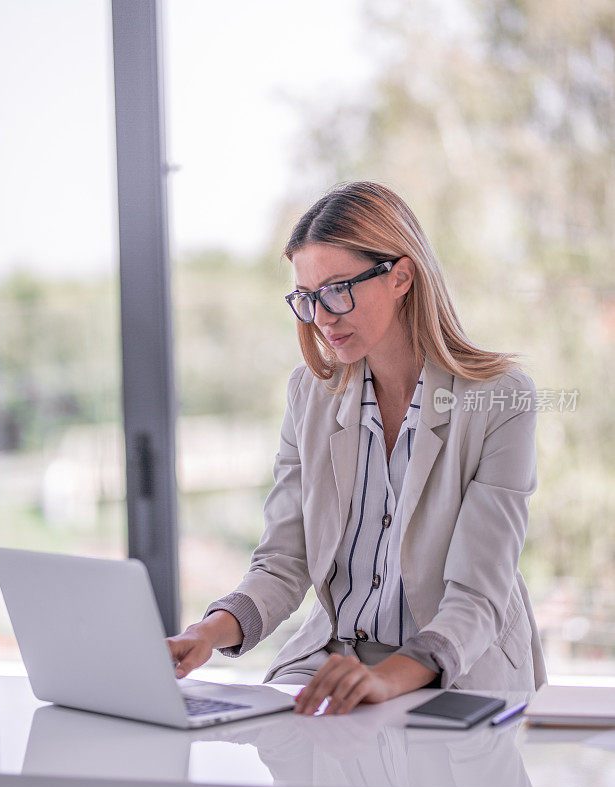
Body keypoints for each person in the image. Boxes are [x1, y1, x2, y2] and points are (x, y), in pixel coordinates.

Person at [167, 181, 547, 716]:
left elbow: (477, 597)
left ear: (401, 277)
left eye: (338, 288)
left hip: (453, 669)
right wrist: (207, 633)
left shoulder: (500, 398)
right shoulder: (310, 395)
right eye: (307, 297)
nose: (322, 315)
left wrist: (386, 681)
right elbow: (283, 562)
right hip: (333, 662)